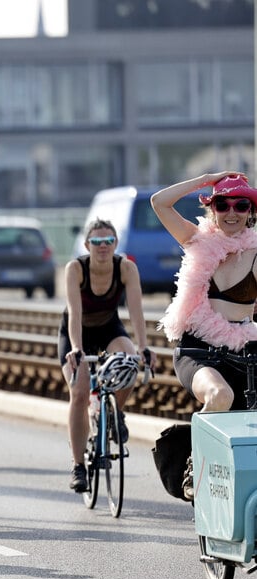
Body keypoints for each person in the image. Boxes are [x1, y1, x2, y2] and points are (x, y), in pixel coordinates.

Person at [61, 218, 155, 493]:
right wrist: (76, 349)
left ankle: (114, 413)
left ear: (116, 243)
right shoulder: (75, 269)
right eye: (97, 242)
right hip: (76, 332)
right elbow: (74, 313)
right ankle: (79, 466)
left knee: (128, 365)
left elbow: (136, 311)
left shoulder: (125, 267)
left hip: (108, 328)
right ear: (87, 244)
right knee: (79, 392)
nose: (103, 247)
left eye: (109, 242)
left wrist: (143, 346)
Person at [156, 172, 257, 412]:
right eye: (223, 205)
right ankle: (199, 448)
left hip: (243, 352)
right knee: (220, 395)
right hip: (197, 350)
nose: (231, 213)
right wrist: (208, 179)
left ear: (250, 212)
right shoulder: (196, 240)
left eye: (240, 205)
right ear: (213, 210)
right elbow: (159, 202)